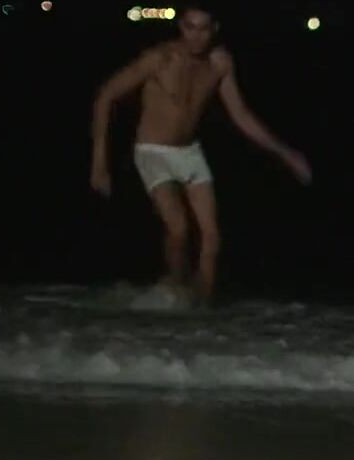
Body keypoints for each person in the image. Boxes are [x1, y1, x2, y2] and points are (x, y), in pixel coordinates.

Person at [89, 1, 311, 305]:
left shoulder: (220, 63)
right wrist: (99, 162)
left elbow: (241, 115)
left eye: (203, 29)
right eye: (189, 27)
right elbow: (106, 96)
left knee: (212, 237)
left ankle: (201, 311)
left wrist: (286, 153)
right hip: (152, 151)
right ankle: (174, 291)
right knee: (179, 229)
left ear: (214, 30)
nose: (196, 36)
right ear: (181, 27)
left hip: (190, 152)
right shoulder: (160, 58)